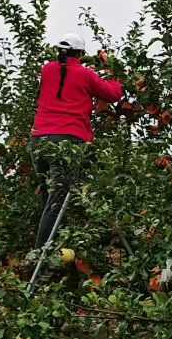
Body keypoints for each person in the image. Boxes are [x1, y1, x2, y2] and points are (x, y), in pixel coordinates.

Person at [29, 32, 123, 247]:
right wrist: (112, 70)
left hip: (38, 142)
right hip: (66, 141)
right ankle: (42, 254)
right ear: (80, 53)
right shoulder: (85, 74)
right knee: (59, 201)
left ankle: (54, 247)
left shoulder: (47, 70)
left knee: (48, 199)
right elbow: (113, 93)